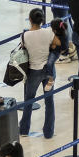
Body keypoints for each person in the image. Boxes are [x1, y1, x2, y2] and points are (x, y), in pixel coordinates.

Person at [19, 9, 56, 139]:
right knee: (49, 100)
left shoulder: (25, 35)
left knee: (28, 100)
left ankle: (24, 129)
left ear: (30, 19)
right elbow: (56, 45)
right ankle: (48, 132)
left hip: (33, 70)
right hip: (49, 71)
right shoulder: (49, 32)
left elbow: (23, 50)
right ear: (42, 20)